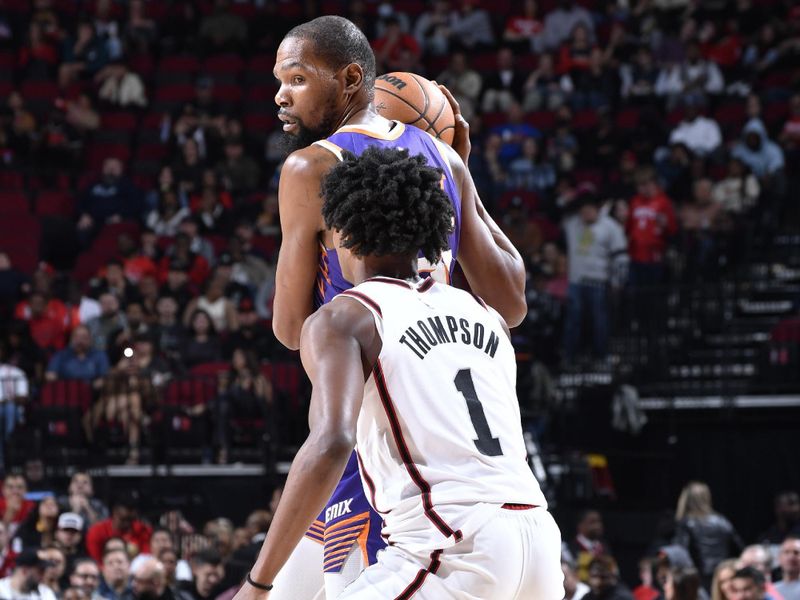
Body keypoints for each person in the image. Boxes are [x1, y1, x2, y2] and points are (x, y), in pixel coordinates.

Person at [265, 15, 527, 600]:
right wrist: (465, 178)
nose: (280, 95)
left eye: (298, 79)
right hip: (439, 427)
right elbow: (510, 302)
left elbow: (287, 329)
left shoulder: (310, 167)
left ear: (351, 78)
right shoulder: (441, 157)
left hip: (373, 441)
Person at [235, 145, 561, 599]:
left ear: (341, 232)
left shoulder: (344, 317)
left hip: (451, 545)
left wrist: (257, 582)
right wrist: (461, 180)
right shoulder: (483, 312)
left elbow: (331, 442)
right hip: (538, 540)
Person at [561, 187, 628, 364]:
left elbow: (620, 257)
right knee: (573, 322)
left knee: (600, 322)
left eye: (589, 209)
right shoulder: (573, 224)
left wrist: (617, 281)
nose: (586, 213)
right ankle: (570, 359)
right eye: (582, 209)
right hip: (576, 282)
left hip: (599, 282)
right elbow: (559, 211)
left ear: (597, 209)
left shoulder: (610, 227)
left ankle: (601, 357)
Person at [673, 481, 744, 590]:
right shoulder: (721, 521)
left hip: (698, 577)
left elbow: (681, 553)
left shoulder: (686, 522)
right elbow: (740, 548)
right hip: (723, 575)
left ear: (685, 499)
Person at [86, 498, 152, 563]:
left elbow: (146, 558)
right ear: (114, 513)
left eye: (130, 520)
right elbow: (96, 561)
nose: (127, 524)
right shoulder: (97, 531)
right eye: (123, 519)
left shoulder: (143, 530)